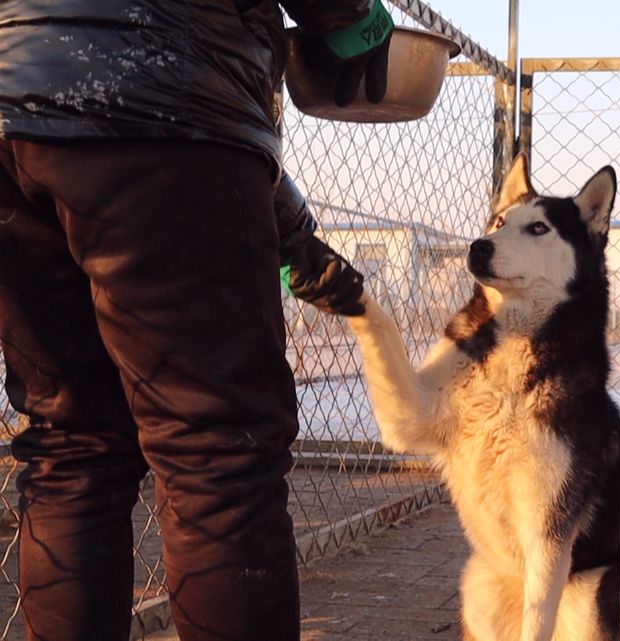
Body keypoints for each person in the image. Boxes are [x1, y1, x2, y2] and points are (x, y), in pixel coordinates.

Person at [0, 1, 390, 639]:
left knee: (71, 446)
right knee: (216, 456)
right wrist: (351, 18)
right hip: (159, 93)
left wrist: (292, 235)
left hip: (9, 103)